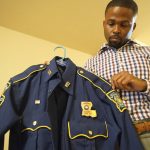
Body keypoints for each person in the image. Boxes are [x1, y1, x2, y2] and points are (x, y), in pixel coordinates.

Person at [84, 0, 150, 149]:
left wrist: (143, 85)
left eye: (124, 24)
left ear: (133, 26)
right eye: (111, 23)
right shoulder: (89, 65)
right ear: (104, 24)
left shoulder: (148, 53)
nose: (116, 30)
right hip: (111, 140)